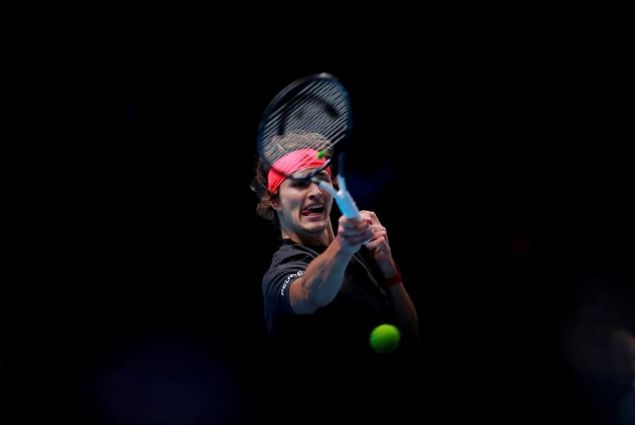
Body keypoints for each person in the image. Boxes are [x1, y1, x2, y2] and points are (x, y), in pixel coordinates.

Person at [251, 131, 419, 357]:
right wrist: (344, 245)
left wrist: (389, 271)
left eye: (321, 179)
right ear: (275, 200)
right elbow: (309, 294)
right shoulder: (281, 272)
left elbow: (411, 339)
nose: (314, 192)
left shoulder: (364, 250)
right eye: (300, 184)